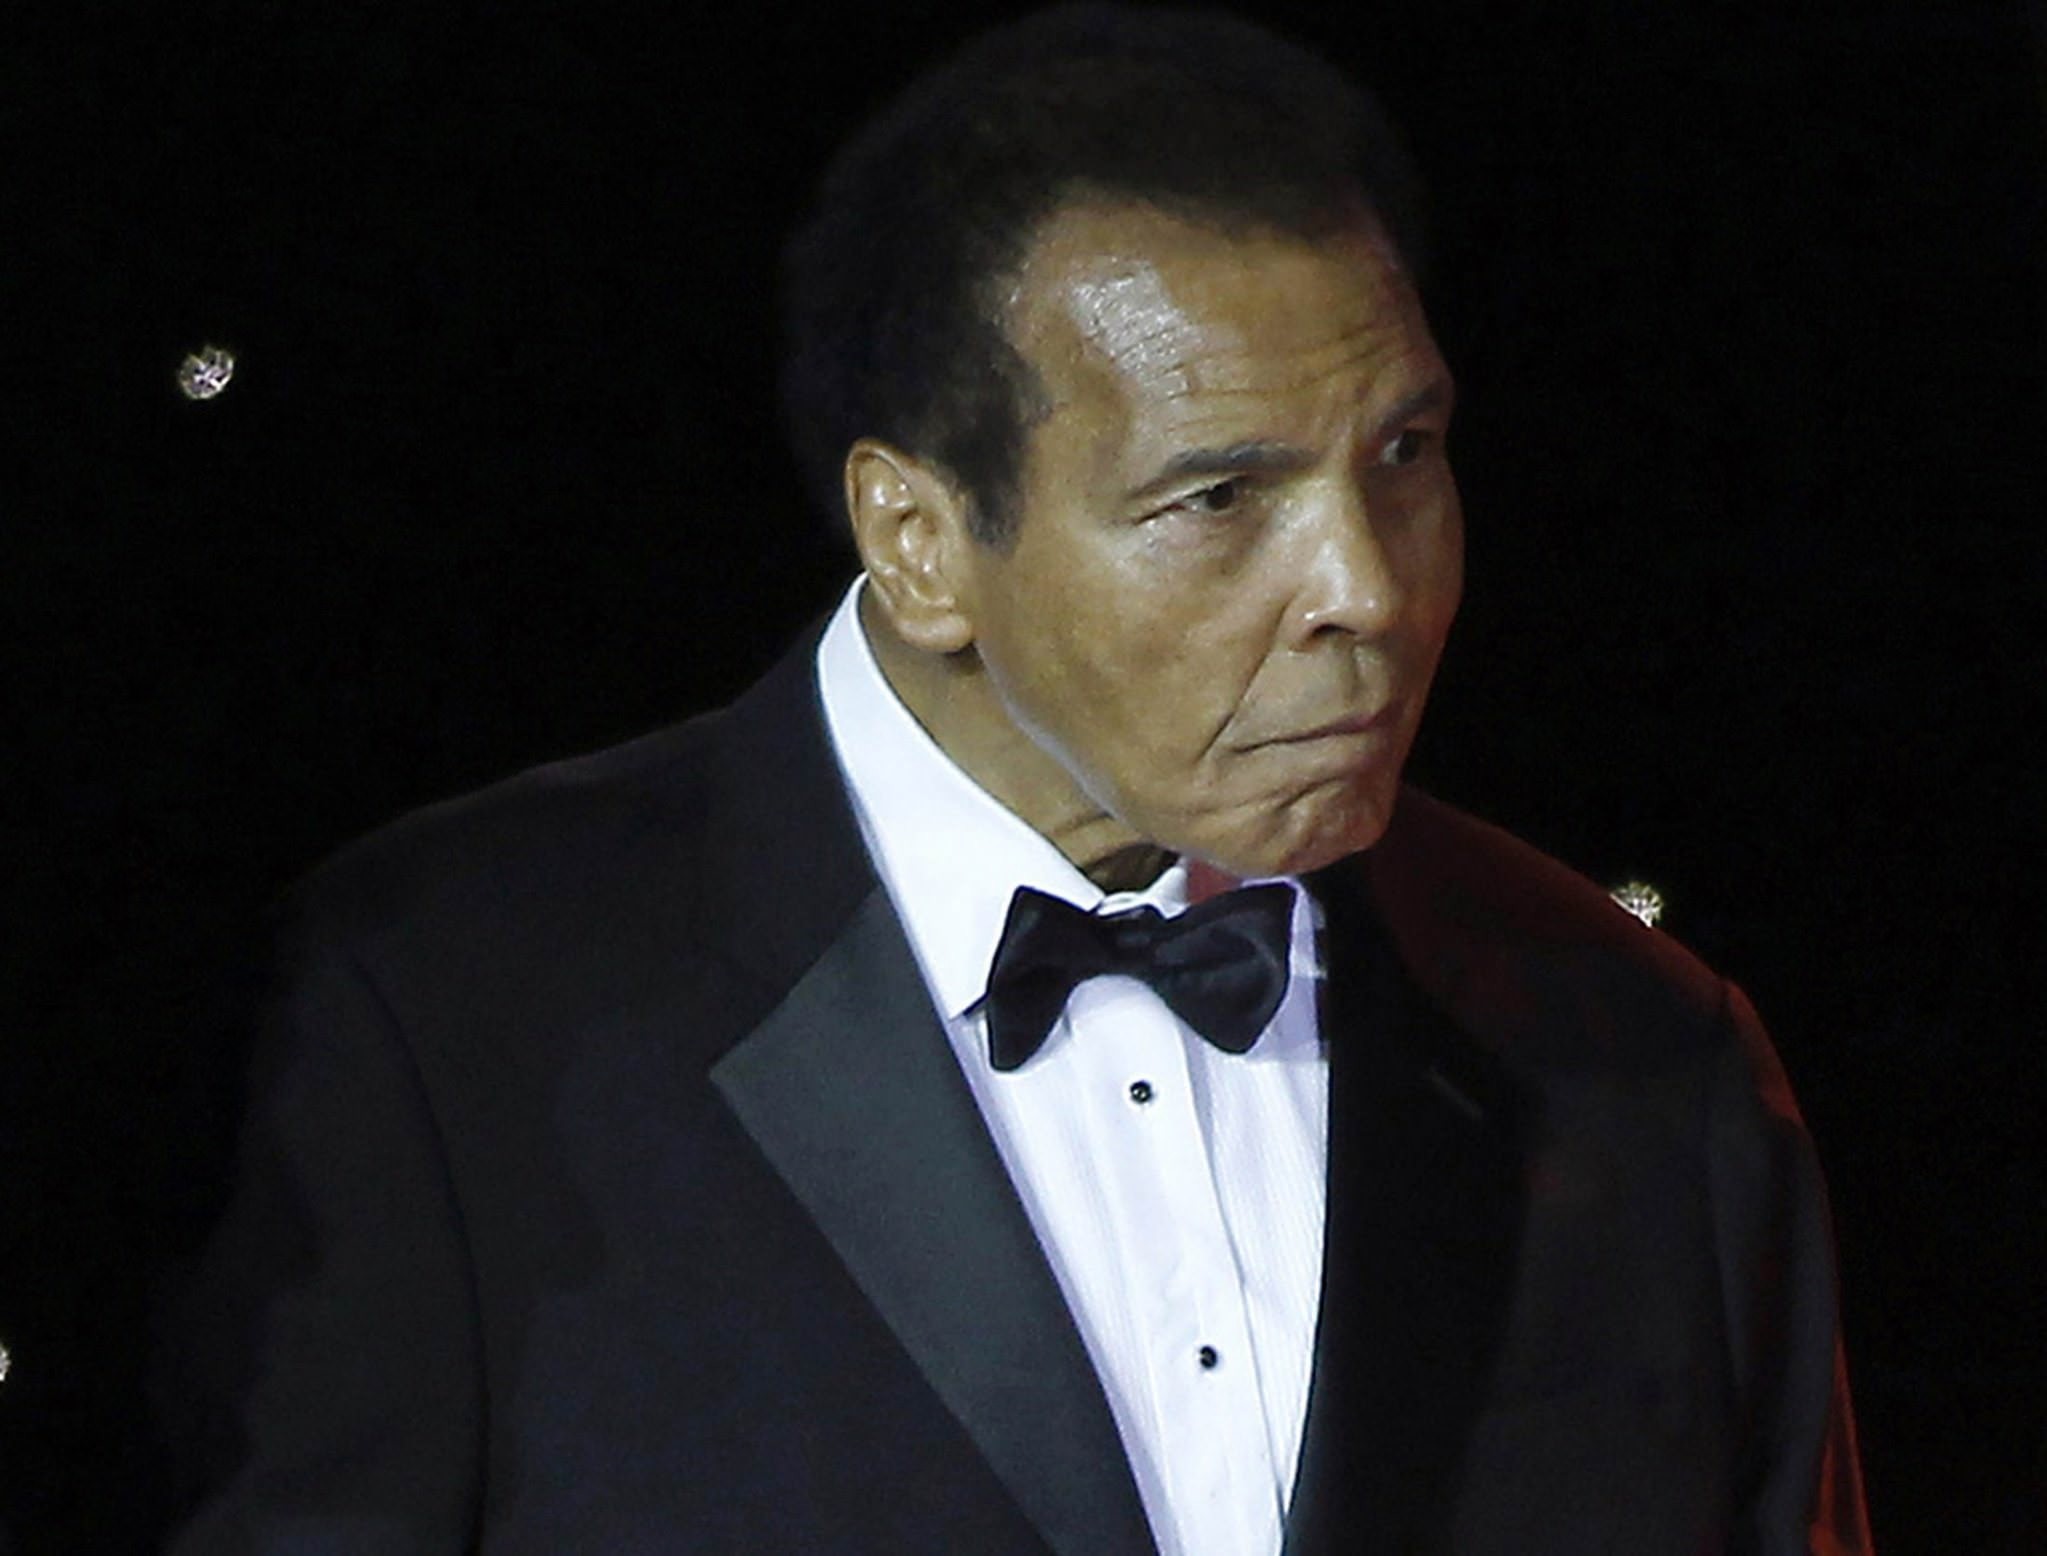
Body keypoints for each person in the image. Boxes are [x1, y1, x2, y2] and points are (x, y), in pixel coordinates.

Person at [156, 6, 1870, 1552]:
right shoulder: (443, 1028)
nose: (1368, 586)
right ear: (918, 542)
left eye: (1404, 454)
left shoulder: (1646, 1061)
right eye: (1219, 498)